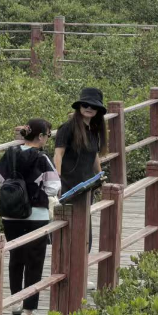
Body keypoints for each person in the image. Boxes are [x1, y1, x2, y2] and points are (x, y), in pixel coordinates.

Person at [0, 119, 60, 315]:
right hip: (36, 215)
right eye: (48, 135)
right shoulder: (41, 158)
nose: (48, 139)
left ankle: (16, 302)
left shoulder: (10, 153)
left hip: (10, 215)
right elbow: (53, 186)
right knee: (34, 261)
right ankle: (29, 310)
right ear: (40, 136)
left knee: (16, 257)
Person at [54, 87, 107, 258]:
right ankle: (67, 266)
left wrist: (101, 179)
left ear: (98, 110)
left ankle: (81, 264)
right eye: (85, 104)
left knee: (84, 227)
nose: (89, 108)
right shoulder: (67, 128)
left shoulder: (93, 130)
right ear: (79, 106)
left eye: (93, 106)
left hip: (86, 187)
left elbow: (94, 156)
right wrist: (57, 182)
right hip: (68, 186)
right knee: (69, 227)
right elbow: (58, 154)